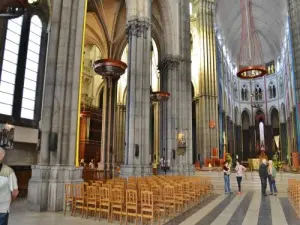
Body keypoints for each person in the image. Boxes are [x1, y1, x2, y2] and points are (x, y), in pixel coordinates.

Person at [0, 147, 19, 225]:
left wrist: (7, 202)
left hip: (2, 209)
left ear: (1, 156)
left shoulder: (9, 171)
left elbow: (15, 192)